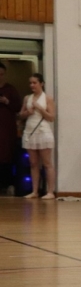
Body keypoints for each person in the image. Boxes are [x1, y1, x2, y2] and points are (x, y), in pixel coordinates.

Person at [18, 73, 56, 199]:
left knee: (47, 163)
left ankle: (50, 192)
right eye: (30, 83)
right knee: (33, 163)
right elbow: (20, 115)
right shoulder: (27, 98)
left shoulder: (48, 98)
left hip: (43, 131)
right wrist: (27, 112)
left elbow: (51, 118)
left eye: (34, 83)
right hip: (30, 131)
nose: (32, 85)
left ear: (41, 84)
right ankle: (35, 191)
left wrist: (40, 108)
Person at [0, 62, 22, 193]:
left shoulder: (11, 89)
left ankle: (7, 184)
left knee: (6, 155)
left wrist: (7, 101)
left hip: (7, 129)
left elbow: (18, 107)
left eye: (1, 74)